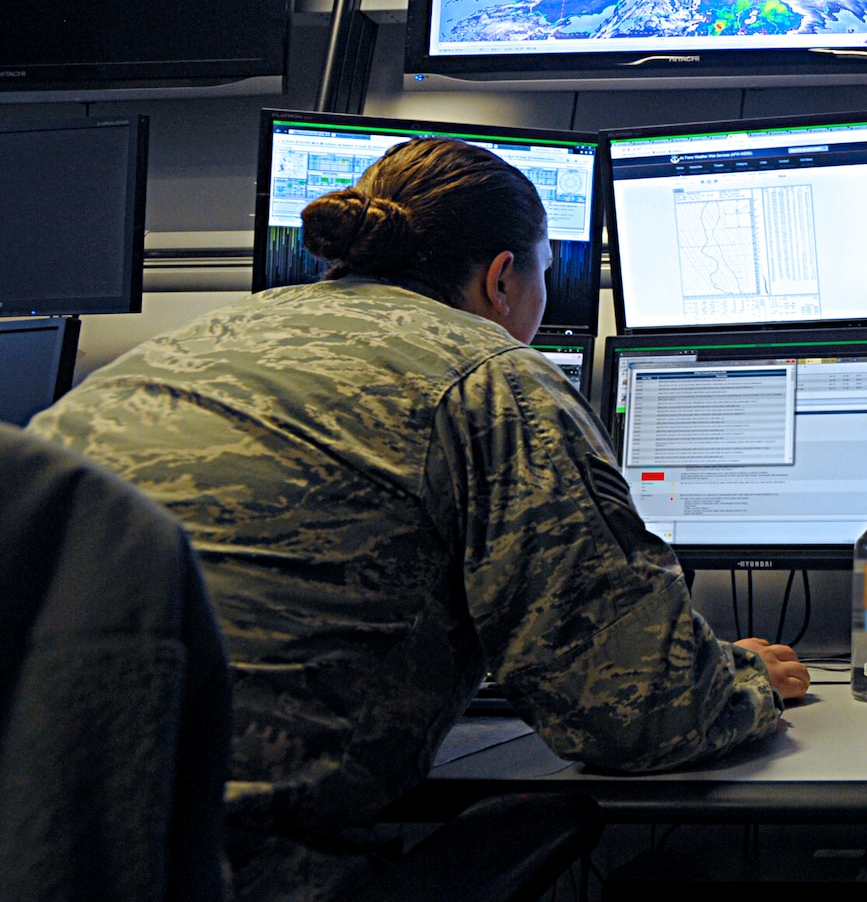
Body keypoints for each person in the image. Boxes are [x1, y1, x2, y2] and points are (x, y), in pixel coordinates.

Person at [29, 137, 809, 900]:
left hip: (36, 839)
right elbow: (640, 711)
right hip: (236, 865)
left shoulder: (183, 349)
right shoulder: (491, 375)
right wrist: (744, 682)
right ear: (504, 279)